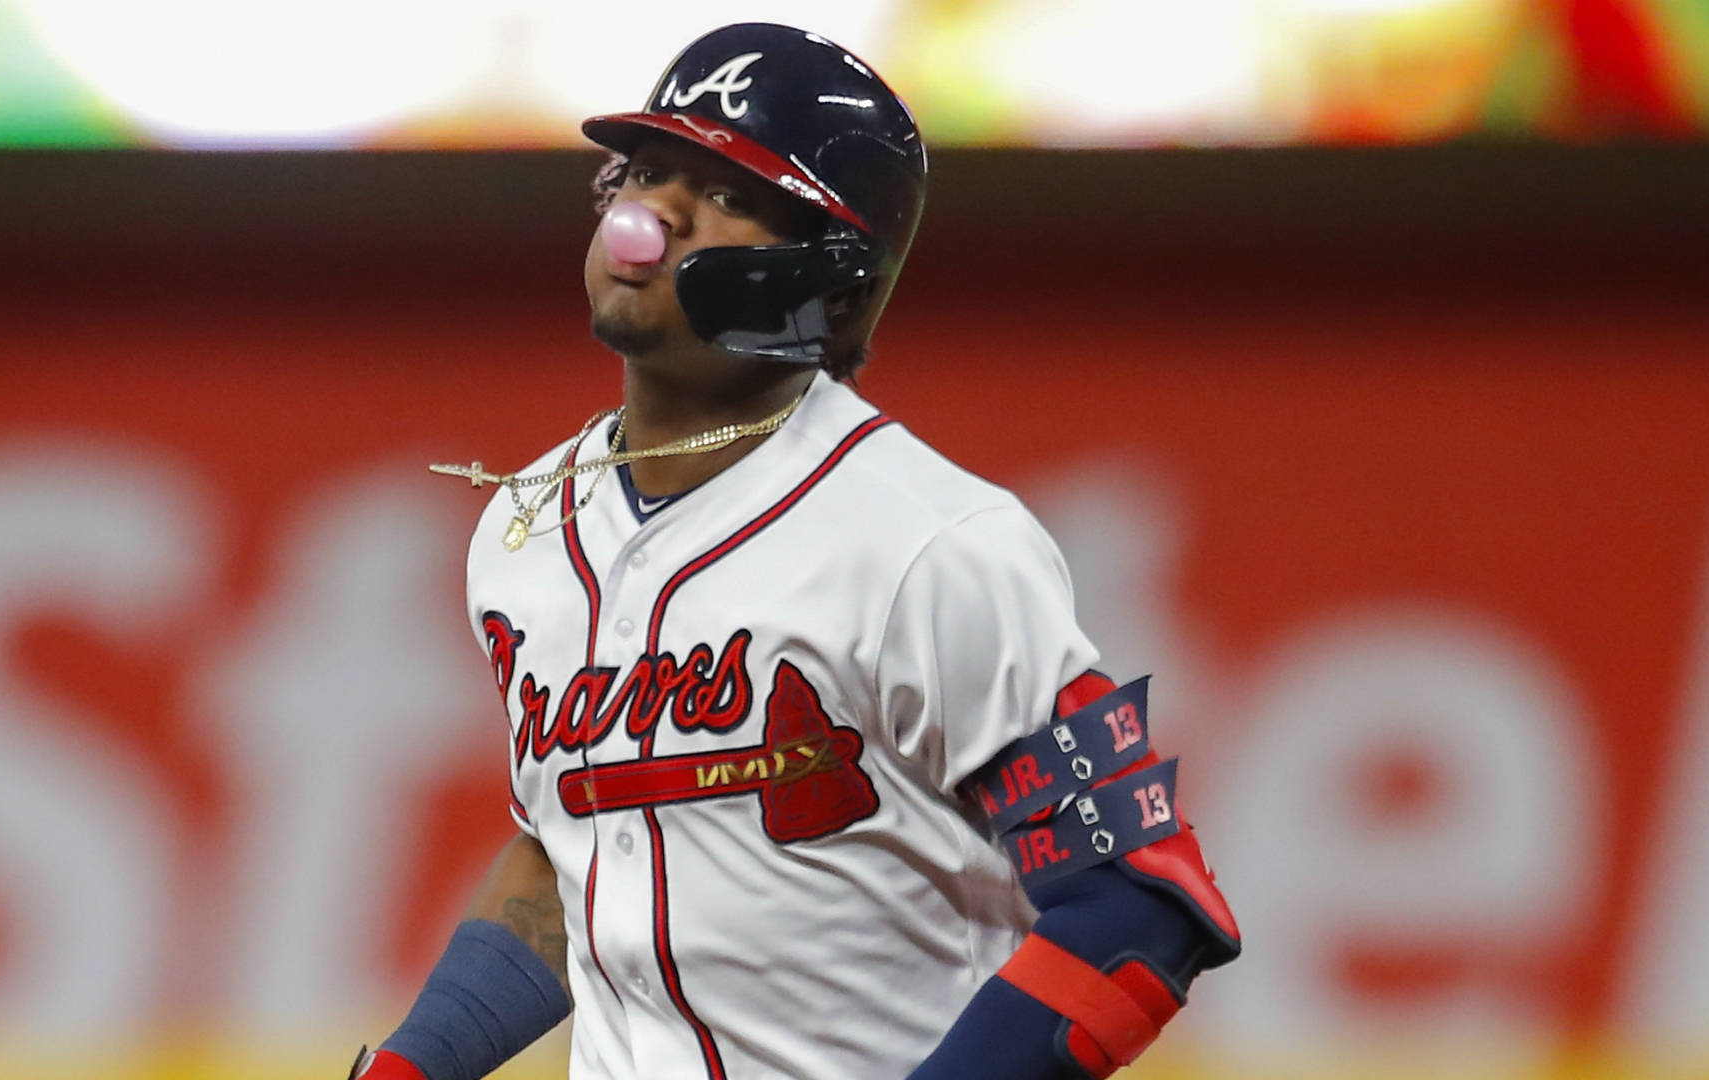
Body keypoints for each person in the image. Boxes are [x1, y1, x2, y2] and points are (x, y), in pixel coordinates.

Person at [350, 22, 1239, 1080]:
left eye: (728, 193)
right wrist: (415, 1064)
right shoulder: (525, 530)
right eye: (650, 171)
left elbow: (1139, 897)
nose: (656, 214)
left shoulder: (934, 544)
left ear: (836, 283)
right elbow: (572, 854)